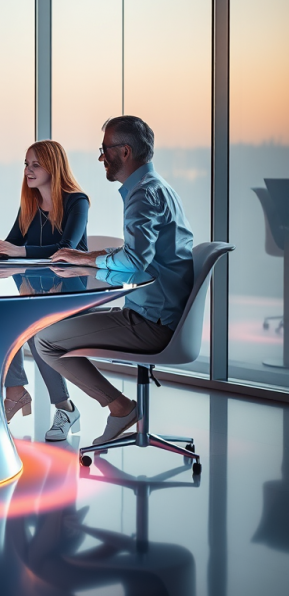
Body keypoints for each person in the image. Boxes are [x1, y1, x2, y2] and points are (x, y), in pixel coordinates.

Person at [36, 115, 194, 446]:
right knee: (54, 327)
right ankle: (120, 407)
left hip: (152, 323)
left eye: (105, 149)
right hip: (158, 314)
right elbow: (136, 253)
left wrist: (86, 260)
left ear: (125, 151)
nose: (101, 157)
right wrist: (86, 257)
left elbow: (134, 261)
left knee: (45, 340)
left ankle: (120, 407)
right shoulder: (157, 187)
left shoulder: (143, 194)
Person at [0, 140, 90, 441]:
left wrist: (18, 251)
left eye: (35, 165)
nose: (28, 170)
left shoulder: (77, 201)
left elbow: (66, 250)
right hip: (35, 292)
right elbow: (13, 244)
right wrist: (0, 250)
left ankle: (65, 408)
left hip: (70, 294)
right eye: (26, 164)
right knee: (2, 321)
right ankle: (15, 391)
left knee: (34, 331)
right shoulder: (30, 203)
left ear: (53, 167)